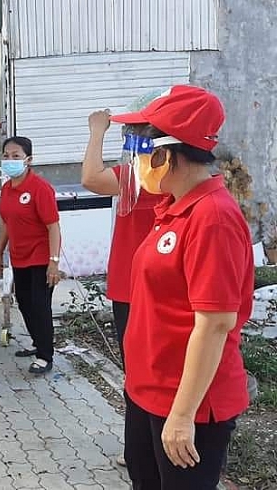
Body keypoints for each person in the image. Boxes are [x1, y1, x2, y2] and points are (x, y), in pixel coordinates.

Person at [111, 85, 251, 490]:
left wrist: (182, 414)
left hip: (186, 402)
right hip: (148, 389)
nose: (136, 161)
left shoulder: (213, 218)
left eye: (140, 147)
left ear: (166, 154)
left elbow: (214, 324)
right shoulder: (172, 209)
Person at [81, 111, 164, 368]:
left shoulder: (140, 176)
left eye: (134, 132)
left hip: (135, 286)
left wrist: (96, 132)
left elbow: (91, 178)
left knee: (139, 368)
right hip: (147, 285)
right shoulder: (163, 175)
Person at [0, 137, 62, 374]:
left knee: (40, 306)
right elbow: (6, 223)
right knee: (24, 303)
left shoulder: (39, 188)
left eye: (16, 156)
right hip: (19, 257)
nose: (10, 160)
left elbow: (53, 226)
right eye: (6, 155)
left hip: (41, 258)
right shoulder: (6, 188)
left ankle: (45, 355)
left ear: (28, 160)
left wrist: (54, 263)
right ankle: (38, 342)